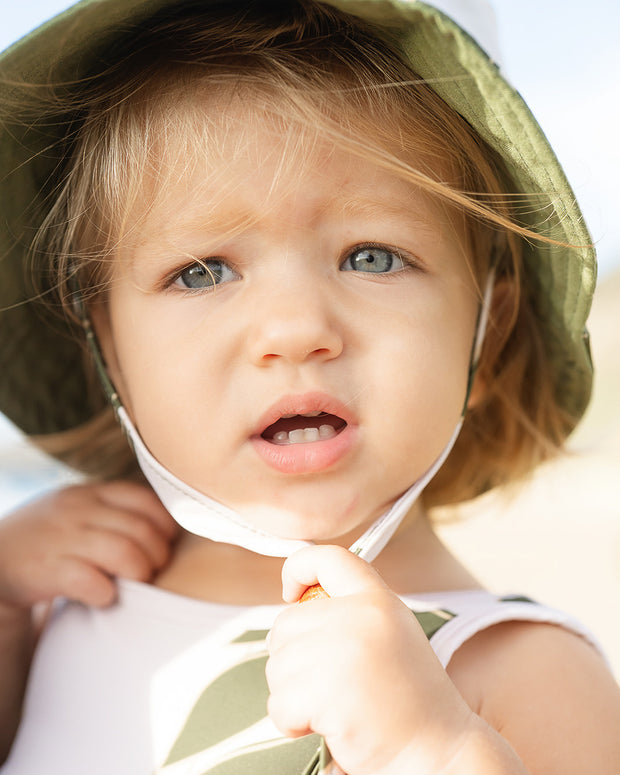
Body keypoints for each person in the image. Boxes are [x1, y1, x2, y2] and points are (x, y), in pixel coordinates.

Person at [0, 0, 618, 772]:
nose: (294, 328)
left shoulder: (519, 671)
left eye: (372, 256)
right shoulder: (69, 593)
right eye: (201, 271)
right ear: (109, 347)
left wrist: (429, 747)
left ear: (485, 332)